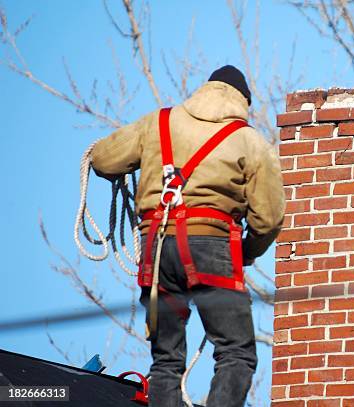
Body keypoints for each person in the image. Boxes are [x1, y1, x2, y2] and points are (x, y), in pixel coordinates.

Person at [90, 65, 285, 407]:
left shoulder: (158, 122)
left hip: (157, 248)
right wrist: (248, 251)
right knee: (235, 352)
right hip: (212, 248)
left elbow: (103, 159)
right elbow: (268, 219)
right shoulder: (249, 140)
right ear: (243, 102)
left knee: (166, 359)